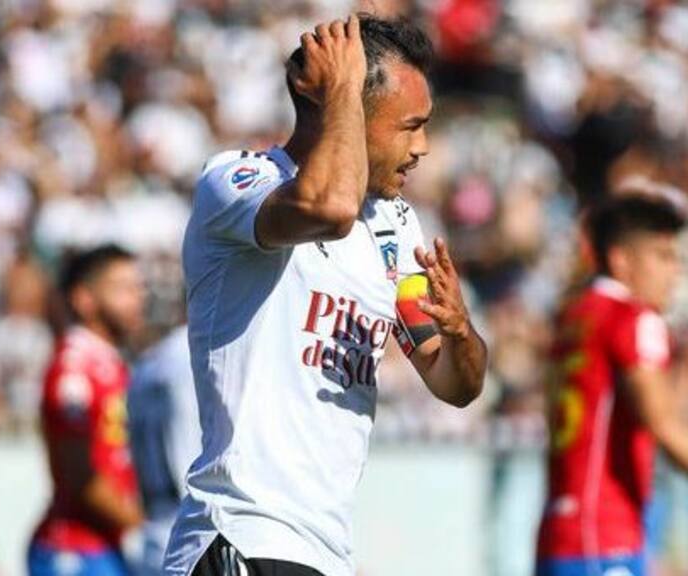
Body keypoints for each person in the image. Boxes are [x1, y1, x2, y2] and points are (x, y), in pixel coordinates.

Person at [165, 14, 487, 576]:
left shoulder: (395, 227)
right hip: (244, 532)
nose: (424, 146)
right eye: (409, 126)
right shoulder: (239, 182)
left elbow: (453, 383)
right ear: (347, 110)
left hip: (325, 552)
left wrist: (461, 333)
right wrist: (342, 89)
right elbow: (329, 209)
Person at [536, 194, 688, 576]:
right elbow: (666, 426)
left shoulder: (573, 315)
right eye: (663, 257)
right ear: (622, 259)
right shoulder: (633, 319)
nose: (674, 272)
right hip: (604, 537)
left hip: (561, 533)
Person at [28, 245, 145, 576]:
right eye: (124, 288)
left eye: (139, 287)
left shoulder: (109, 363)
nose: (138, 298)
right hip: (76, 553)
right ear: (84, 299)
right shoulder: (74, 369)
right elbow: (81, 475)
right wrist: (147, 527)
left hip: (106, 547)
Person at [127, 322, 201, 576]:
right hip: (192, 532)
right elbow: (190, 453)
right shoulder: (193, 351)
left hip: (155, 531)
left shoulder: (152, 358)